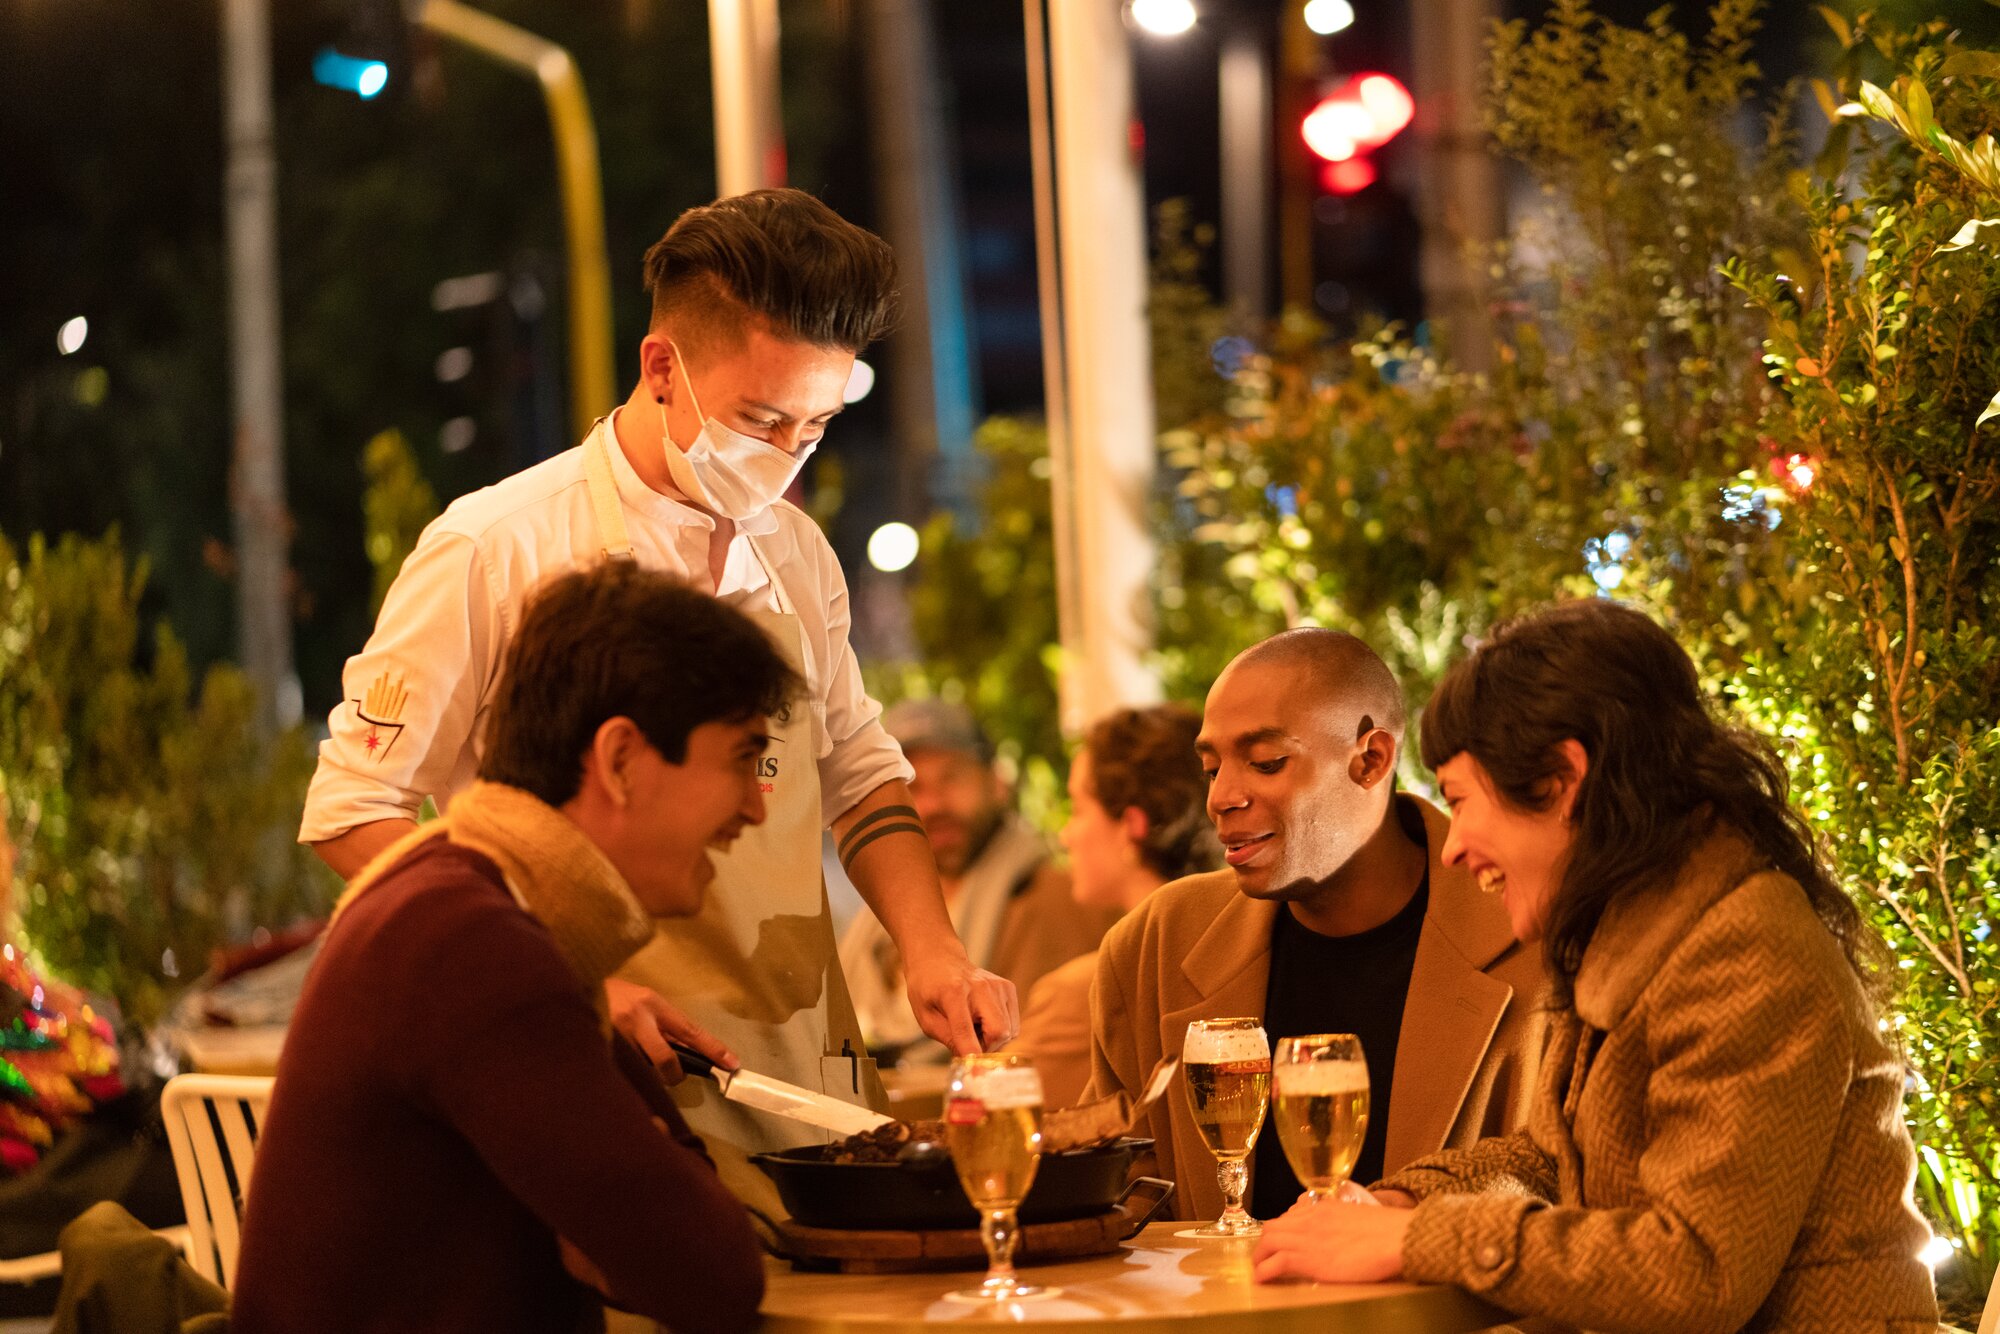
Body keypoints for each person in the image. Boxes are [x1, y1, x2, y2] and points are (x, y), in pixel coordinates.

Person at [297, 190, 1016, 1206]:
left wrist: (932, 951)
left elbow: (860, 774)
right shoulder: (494, 546)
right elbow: (351, 812)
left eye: (814, 427)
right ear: (661, 367)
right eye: (761, 420)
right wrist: (564, 984)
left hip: (806, 1071)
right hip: (590, 1074)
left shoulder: (796, 552)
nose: (785, 454)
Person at [1250, 600, 1941, 1334]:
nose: (1452, 847)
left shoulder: (1745, 948)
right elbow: (1549, 1158)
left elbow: (1695, 1273)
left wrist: (1415, 1242)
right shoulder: (1633, 926)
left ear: (1561, 779)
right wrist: (1400, 1203)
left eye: (1459, 799)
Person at [235, 566, 784, 1334]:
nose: (757, 808)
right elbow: (711, 1270)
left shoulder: (479, 901)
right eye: (741, 759)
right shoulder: (466, 941)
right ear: (622, 760)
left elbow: (681, 1204)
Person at [1083, 628, 1547, 1223]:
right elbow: (1114, 1203)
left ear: (1371, 759)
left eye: (1266, 763)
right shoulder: (1155, 944)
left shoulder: (1531, 935)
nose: (1221, 797)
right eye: (1210, 768)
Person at [838, 699, 1114, 1067]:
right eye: (912, 786)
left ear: (996, 782)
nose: (933, 804)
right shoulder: (878, 920)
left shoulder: (1055, 899)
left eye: (951, 777)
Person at [1008, 704, 1218, 1109]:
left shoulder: (1089, 992)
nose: (1066, 835)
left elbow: (987, 1127)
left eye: (1079, 809)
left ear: (1132, 825)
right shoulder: (1244, 952)